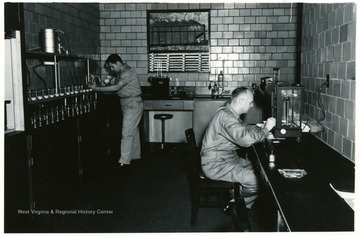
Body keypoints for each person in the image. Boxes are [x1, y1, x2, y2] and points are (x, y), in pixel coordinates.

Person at [200, 87, 276, 209]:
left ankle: (237, 199)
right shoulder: (227, 117)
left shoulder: (229, 112)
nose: (251, 106)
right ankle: (236, 203)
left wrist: (261, 128)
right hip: (215, 164)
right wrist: (266, 129)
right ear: (241, 100)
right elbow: (245, 140)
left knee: (263, 173)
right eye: (250, 102)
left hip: (226, 159)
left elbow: (243, 128)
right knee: (258, 181)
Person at [89, 54, 143, 167]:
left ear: (118, 63)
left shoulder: (127, 72)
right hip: (128, 103)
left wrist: (95, 88)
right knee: (133, 131)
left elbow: (116, 88)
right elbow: (114, 89)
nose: (111, 69)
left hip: (132, 104)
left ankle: (124, 161)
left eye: (112, 67)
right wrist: (101, 88)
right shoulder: (120, 73)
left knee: (126, 133)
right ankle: (135, 156)